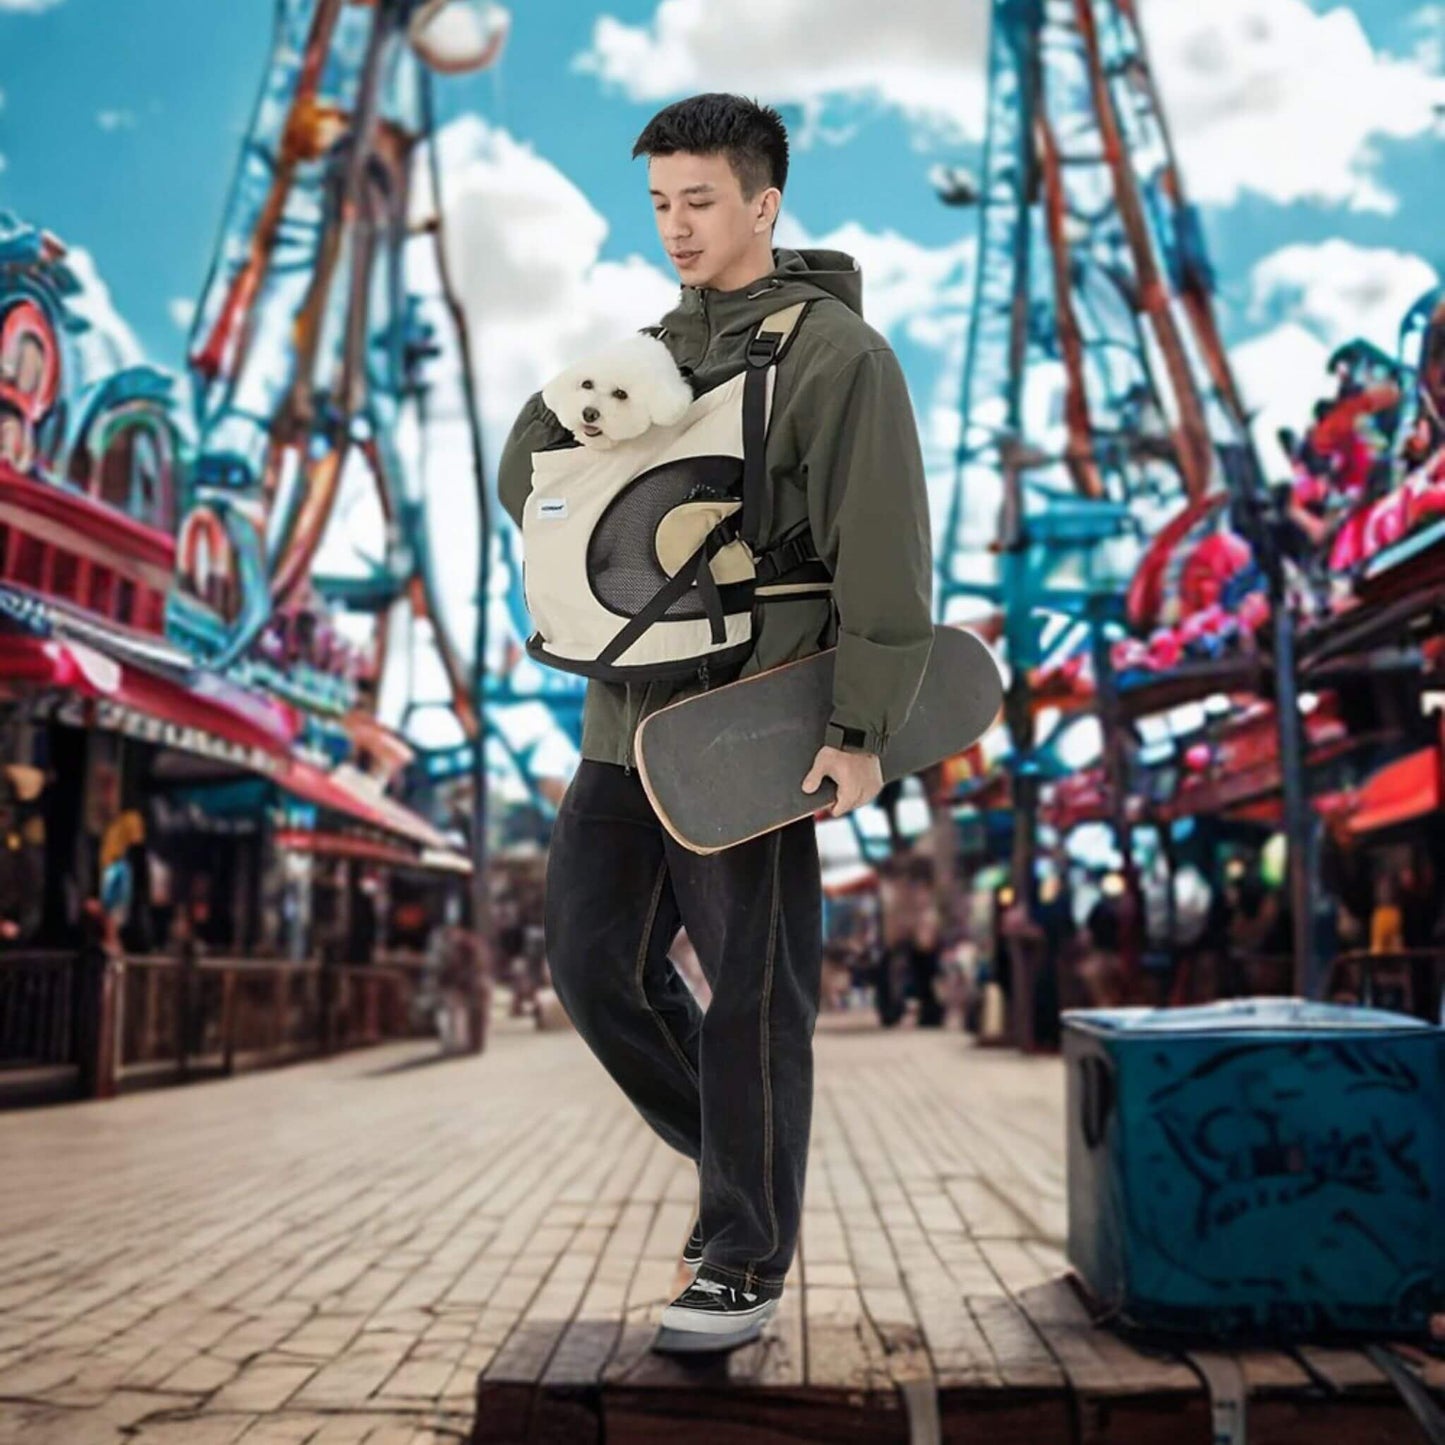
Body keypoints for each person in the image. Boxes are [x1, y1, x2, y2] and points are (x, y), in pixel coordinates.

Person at [496, 94, 934, 1350]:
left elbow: (885, 552)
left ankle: (743, 1252)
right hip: (618, 718)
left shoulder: (839, 359)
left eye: (699, 201)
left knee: (750, 991)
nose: (677, 228)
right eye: (658, 204)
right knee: (590, 966)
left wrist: (859, 729)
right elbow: (537, 496)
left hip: (749, 720)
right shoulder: (640, 352)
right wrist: (562, 424)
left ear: (761, 201)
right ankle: (739, 1162)